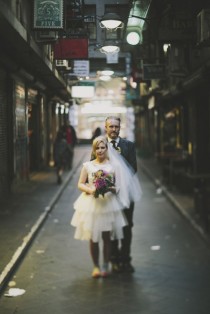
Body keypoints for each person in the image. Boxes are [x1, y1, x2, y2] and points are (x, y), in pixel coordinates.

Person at [71, 136, 127, 278]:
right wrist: (91, 190)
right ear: (94, 150)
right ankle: (95, 266)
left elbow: (118, 187)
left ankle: (105, 265)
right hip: (92, 204)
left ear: (106, 149)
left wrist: (109, 187)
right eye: (97, 148)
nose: (100, 150)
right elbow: (80, 183)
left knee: (107, 236)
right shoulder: (88, 166)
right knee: (93, 237)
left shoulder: (114, 166)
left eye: (103, 147)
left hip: (108, 204)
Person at [105, 116, 139, 273]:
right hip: (108, 197)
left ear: (120, 128)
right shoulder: (100, 146)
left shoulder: (129, 146)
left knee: (127, 226)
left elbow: (133, 168)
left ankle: (126, 259)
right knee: (111, 227)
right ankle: (114, 259)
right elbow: (94, 167)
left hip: (126, 194)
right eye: (111, 126)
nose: (113, 129)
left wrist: (119, 184)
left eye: (116, 126)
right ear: (106, 128)